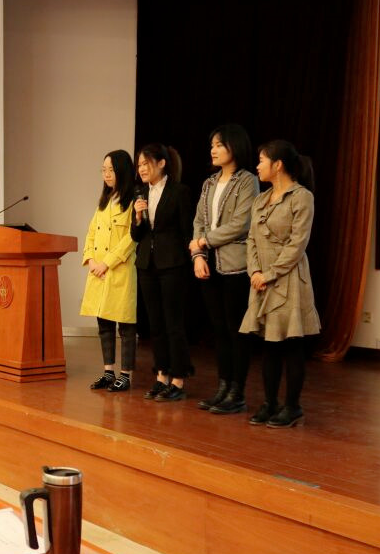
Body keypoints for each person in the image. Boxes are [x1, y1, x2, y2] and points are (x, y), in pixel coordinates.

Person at [239, 140, 320, 428]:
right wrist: (254, 271)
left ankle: (293, 406)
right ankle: (269, 403)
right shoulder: (260, 199)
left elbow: (297, 244)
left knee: (291, 344)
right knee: (269, 344)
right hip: (261, 280)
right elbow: (251, 239)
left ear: (278, 165)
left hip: (287, 280)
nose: (257, 166)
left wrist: (269, 273)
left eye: (262, 160)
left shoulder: (302, 197)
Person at [189, 124, 259, 415]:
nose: (213, 150)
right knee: (219, 331)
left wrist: (204, 240)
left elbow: (241, 224)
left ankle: (237, 392)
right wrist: (198, 255)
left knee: (236, 331)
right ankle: (222, 387)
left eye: (219, 145)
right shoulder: (208, 183)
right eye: (212, 145)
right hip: (208, 264)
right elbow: (198, 221)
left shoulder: (248, 181)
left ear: (235, 147)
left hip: (235, 266)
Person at [131, 144, 195, 401]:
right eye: (139, 165)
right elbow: (137, 235)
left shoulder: (179, 192)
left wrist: (192, 259)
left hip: (172, 264)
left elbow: (186, 230)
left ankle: (178, 379)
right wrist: (137, 217)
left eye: (146, 163)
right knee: (155, 323)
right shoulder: (141, 193)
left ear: (161, 163)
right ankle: (161, 376)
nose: (141, 169)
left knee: (173, 323)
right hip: (147, 264)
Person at [81, 150, 138, 392]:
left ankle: (125, 375)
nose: (106, 174)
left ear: (122, 171)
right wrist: (90, 259)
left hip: (120, 270)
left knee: (125, 325)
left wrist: (107, 262)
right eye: (103, 170)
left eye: (111, 170)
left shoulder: (133, 200)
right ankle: (108, 371)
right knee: (103, 322)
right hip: (99, 271)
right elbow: (91, 233)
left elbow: (131, 238)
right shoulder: (104, 202)